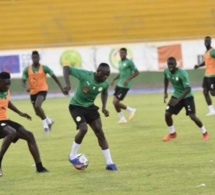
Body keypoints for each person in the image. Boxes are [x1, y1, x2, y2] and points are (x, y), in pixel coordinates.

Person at [63, 63, 117, 171]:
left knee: (99, 132)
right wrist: (67, 84)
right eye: (104, 74)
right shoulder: (85, 75)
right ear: (98, 71)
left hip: (90, 107)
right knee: (83, 128)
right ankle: (72, 156)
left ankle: (109, 163)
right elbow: (66, 68)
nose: (106, 77)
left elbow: (104, 92)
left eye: (108, 75)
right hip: (76, 107)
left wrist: (104, 107)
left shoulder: (105, 83)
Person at [0, 72, 48, 176]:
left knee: (29, 135)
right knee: (11, 132)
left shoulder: (6, 90)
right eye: (5, 84)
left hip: (5, 120)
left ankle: (39, 167)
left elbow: (7, 102)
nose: (7, 86)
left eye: (9, 83)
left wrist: (20, 113)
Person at [163, 57, 209, 142]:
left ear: (176, 64)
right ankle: (172, 133)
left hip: (187, 96)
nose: (170, 66)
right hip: (176, 95)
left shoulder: (182, 73)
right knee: (167, 114)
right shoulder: (166, 71)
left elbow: (188, 88)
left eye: (172, 64)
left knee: (193, 117)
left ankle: (205, 132)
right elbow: (166, 78)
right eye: (169, 64)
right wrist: (165, 92)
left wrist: (178, 100)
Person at [22, 50, 67, 133]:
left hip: (42, 90)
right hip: (33, 92)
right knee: (37, 112)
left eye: (36, 57)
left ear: (39, 58)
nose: (35, 59)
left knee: (37, 106)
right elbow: (23, 80)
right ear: (32, 58)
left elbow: (54, 77)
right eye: (33, 57)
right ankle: (49, 121)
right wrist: (26, 86)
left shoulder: (44, 68)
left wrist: (61, 87)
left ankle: (45, 125)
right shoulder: (27, 69)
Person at [111, 48, 139, 124]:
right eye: (120, 53)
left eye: (123, 53)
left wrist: (128, 79)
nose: (121, 54)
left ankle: (131, 110)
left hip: (125, 86)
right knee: (114, 102)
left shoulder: (129, 62)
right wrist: (114, 79)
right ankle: (122, 118)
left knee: (116, 102)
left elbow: (136, 72)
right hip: (119, 84)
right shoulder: (119, 62)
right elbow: (121, 73)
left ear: (126, 54)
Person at [194, 36, 215, 116]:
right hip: (206, 76)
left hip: (213, 76)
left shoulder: (212, 52)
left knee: (213, 93)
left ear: (210, 42)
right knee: (205, 91)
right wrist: (198, 66)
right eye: (205, 41)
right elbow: (205, 62)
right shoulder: (206, 52)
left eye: (208, 41)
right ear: (204, 42)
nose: (206, 42)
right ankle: (212, 110)